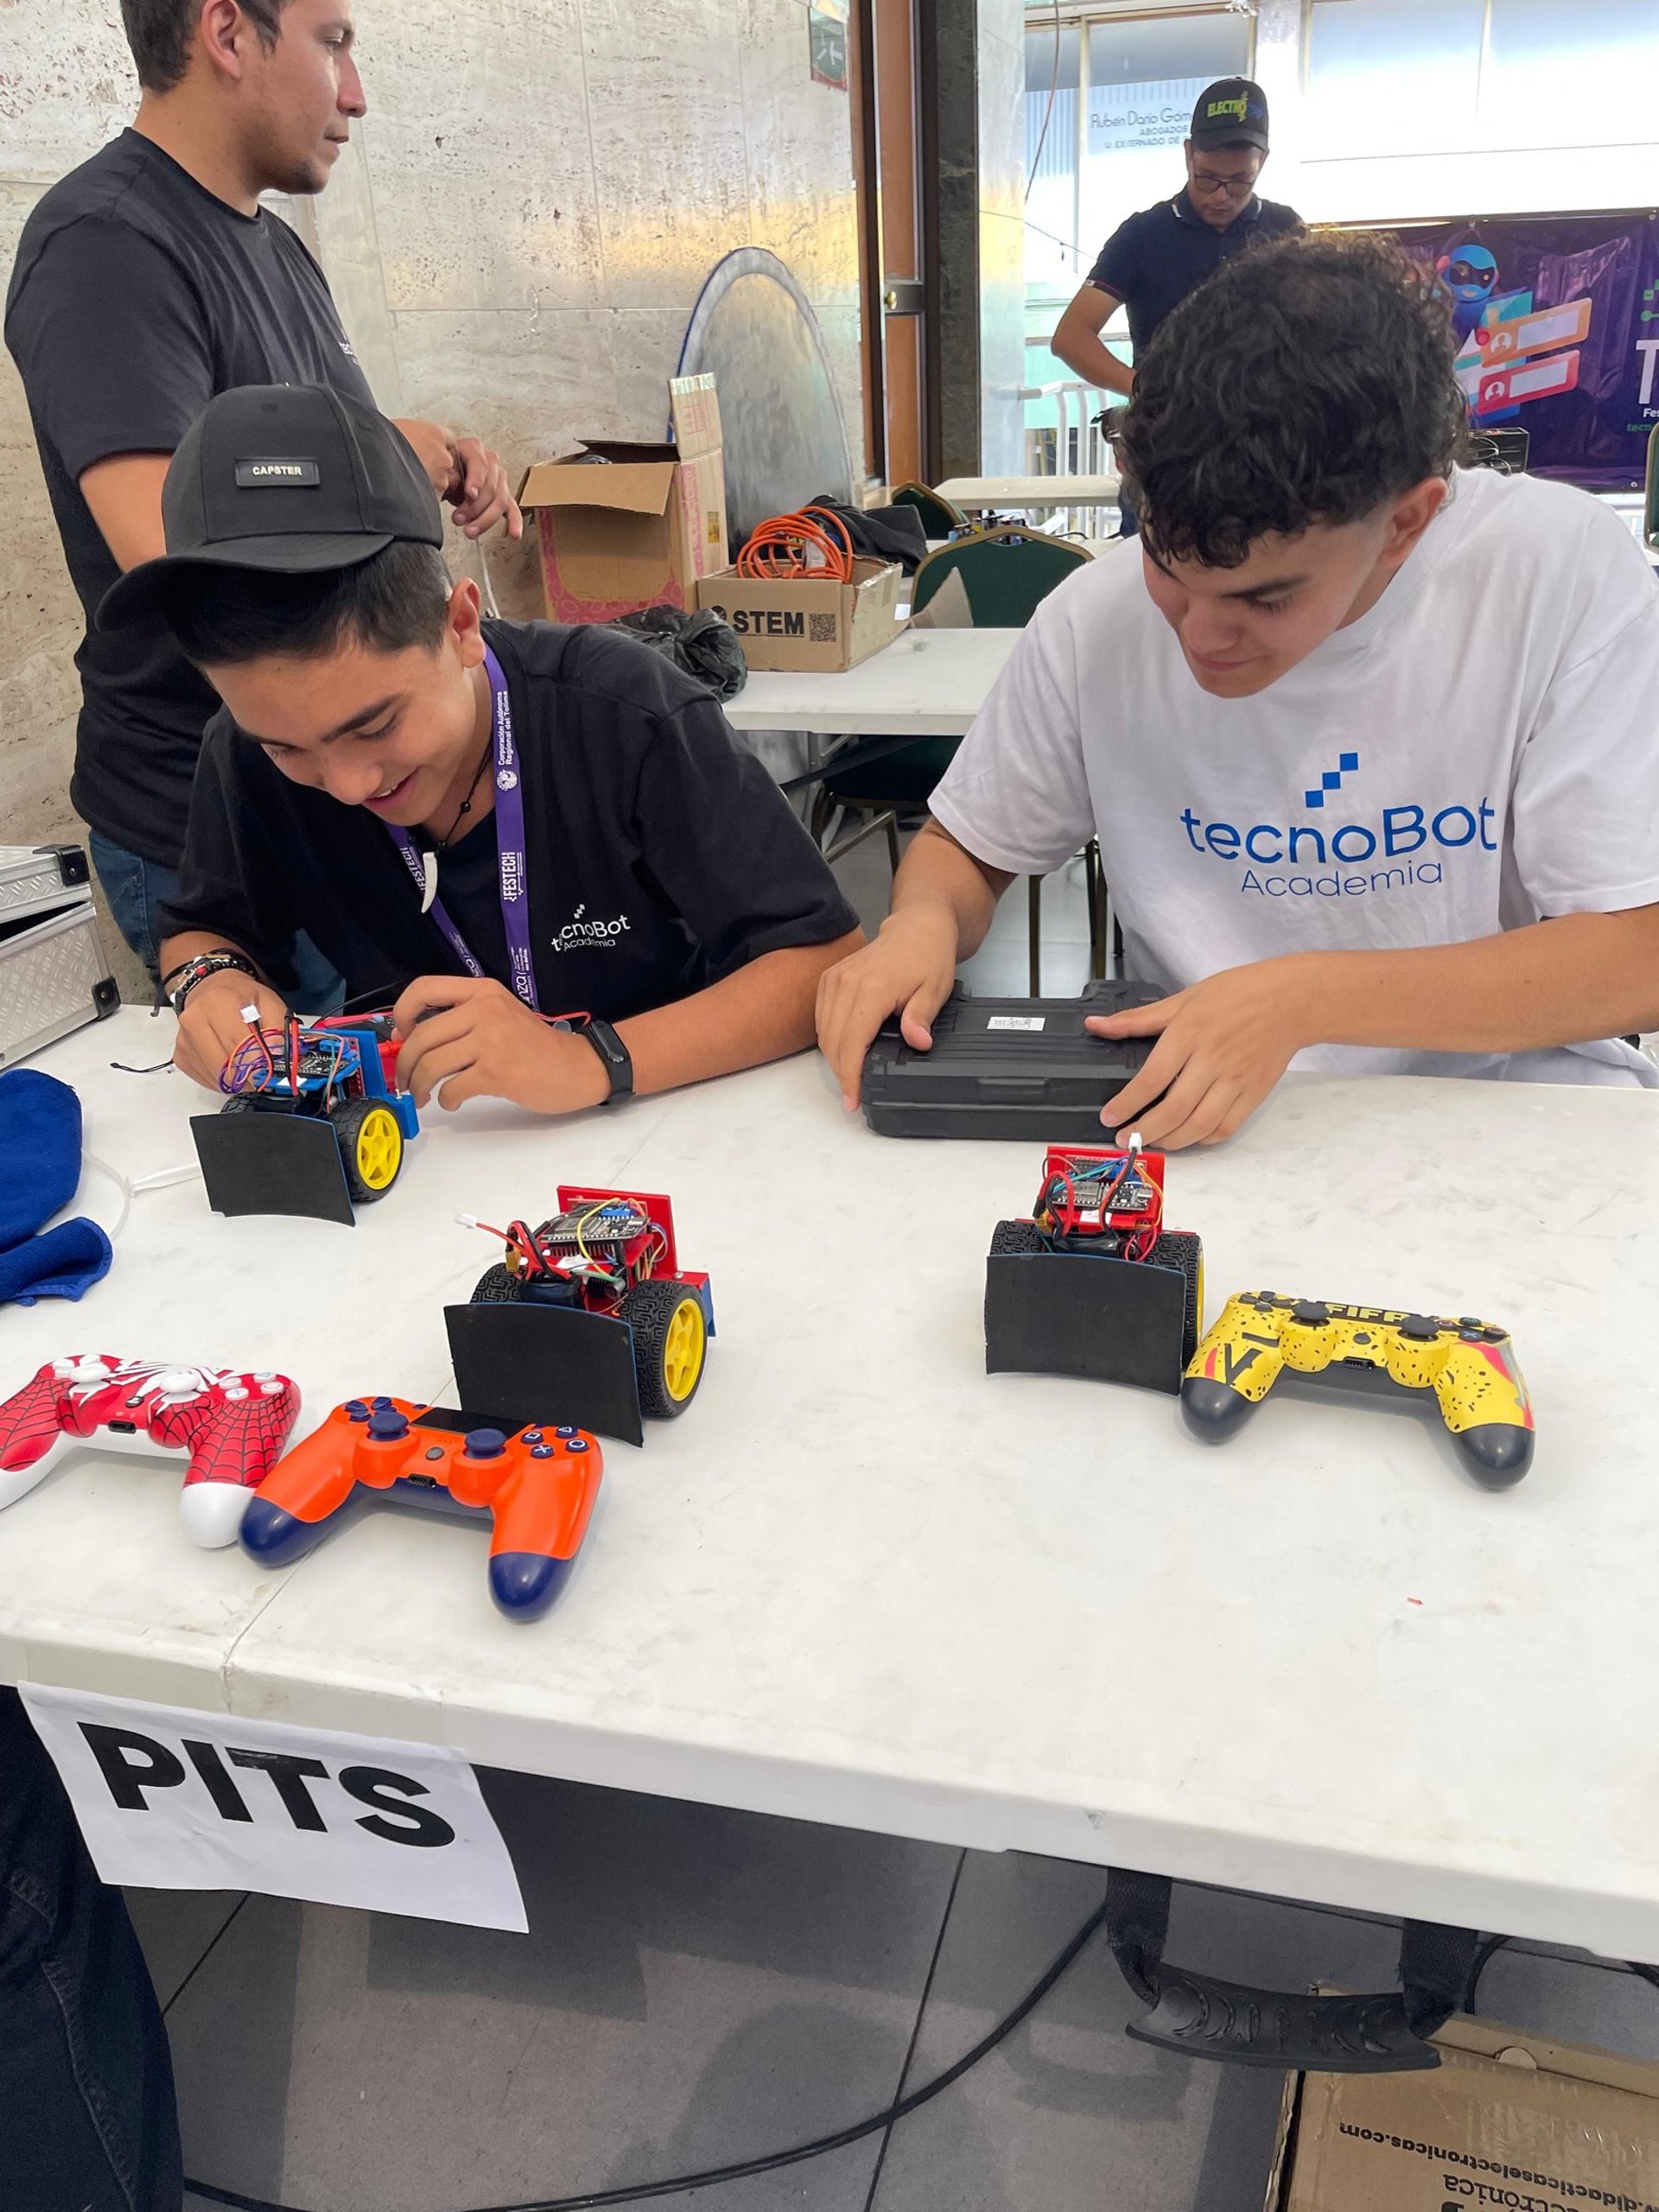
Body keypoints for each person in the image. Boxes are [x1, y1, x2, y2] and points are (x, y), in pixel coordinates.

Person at [817, 231, 1659, 1149]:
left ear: (1405, 524)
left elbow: (1635, 953)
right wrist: (920, 923)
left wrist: (1301, 999)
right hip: (1196, 1119)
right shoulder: (1094, 619)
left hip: (1501, 1108)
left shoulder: (1557, 575)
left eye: (1264, 597)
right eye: (1168, 571)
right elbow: (967, 847)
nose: (1201, 636)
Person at [94, 383, 863, 1111]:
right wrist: (211, 981)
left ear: (461, 625)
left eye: (375, 726)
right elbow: (204, 927)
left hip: (676, 1127)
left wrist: (592, 1061)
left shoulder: (626, 716)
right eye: (289, 749)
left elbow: (819, 959)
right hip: (440, 1172)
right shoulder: (241, 753)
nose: (350, 785)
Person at [4, 0, 518, 993]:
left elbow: (325, 491)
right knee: (307, 1138)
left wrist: (431, 457)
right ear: (229, 33)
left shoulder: (277, 250)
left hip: (347, 794)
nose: (356, 95)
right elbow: (174, 551)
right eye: (334, 44)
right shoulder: (105, 246)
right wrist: (396, 458)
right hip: (214, 828)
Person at [1049, 77, 1300, 536]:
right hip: (1166, 449)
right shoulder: (1143, 236)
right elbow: (1070, 337)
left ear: (1262, 162)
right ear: (1187, 154)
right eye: (1207, 178)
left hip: (1262, 449)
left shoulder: (1286, 230)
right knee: (1150, 581)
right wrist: (1144, 388)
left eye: (1239, 181)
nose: (1221, 195)